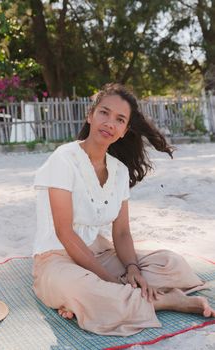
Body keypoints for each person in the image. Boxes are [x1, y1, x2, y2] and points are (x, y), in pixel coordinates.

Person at [32, 83, 215, 336]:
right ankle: (166, 300)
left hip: (99, 252)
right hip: (56, 258)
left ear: (124, 130)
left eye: (119, 119)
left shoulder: (119, 171)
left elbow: (121, 234)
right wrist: (107, 279)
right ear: (90, 115)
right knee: (86, 290)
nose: (109, 123)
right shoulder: (64, 159)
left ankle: (109, 300)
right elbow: (65, 233)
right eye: (104, 113)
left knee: (171, 264)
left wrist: (132, 269)